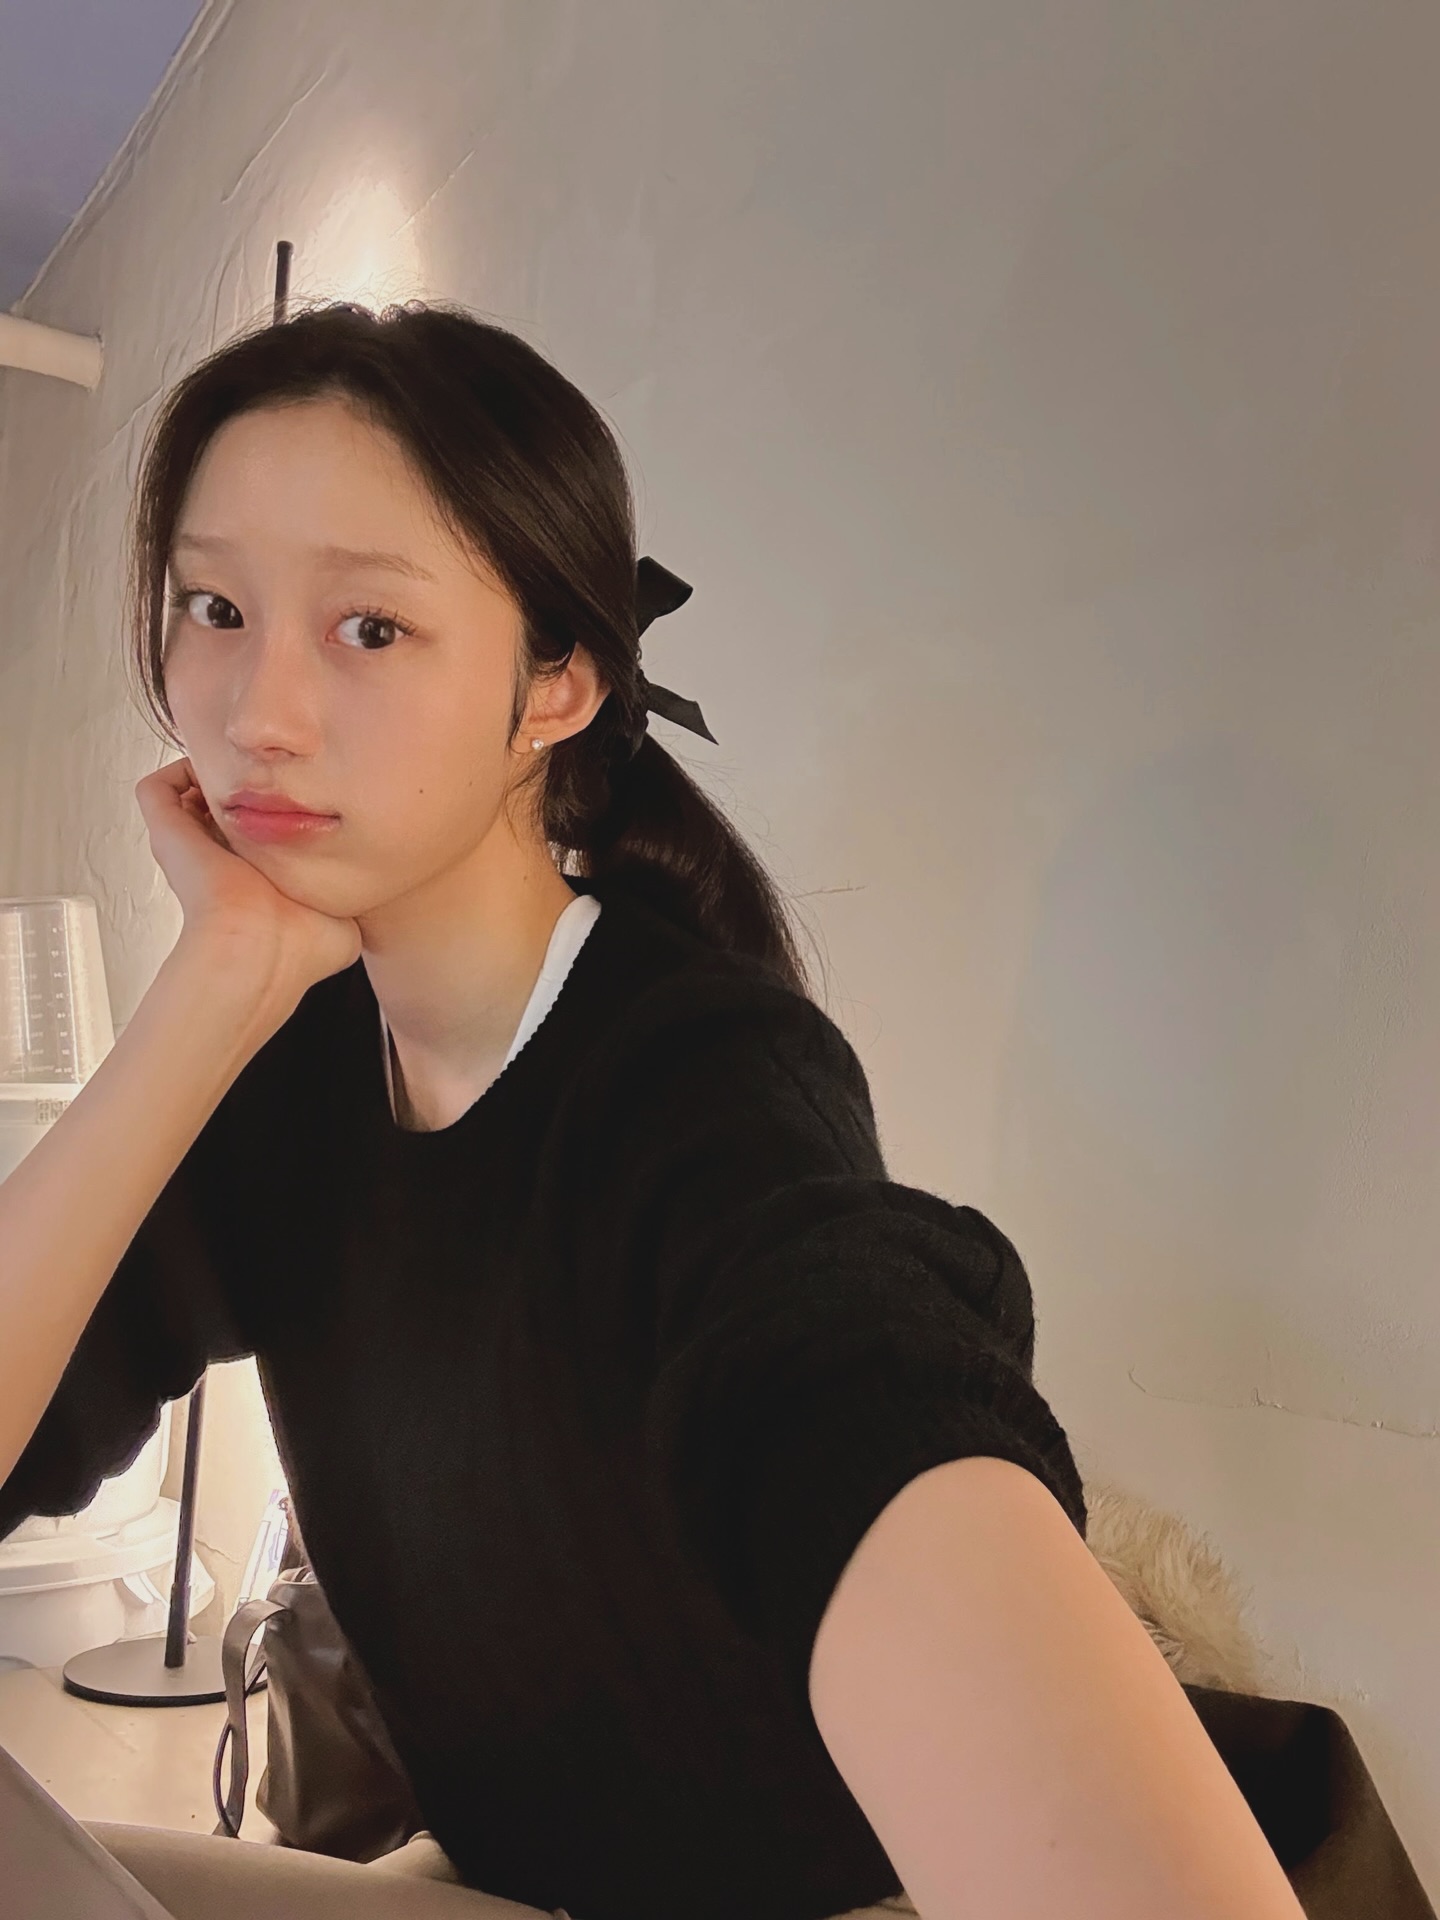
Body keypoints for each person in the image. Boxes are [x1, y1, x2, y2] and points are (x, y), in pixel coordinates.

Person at [0, 300, 1305, 1920]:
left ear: (557, 682)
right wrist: (208, 993)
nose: (255, 712)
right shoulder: (294, 1067)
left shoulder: (698, 1083)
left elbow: (851, 1377)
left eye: (371, 628)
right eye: (215, 608)